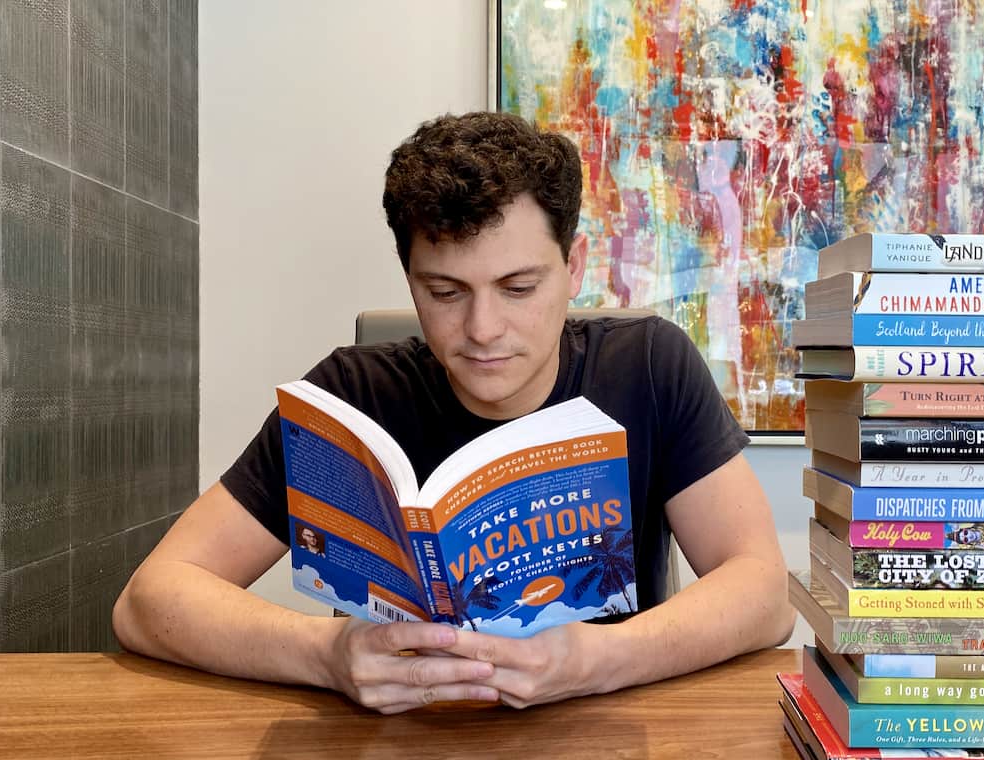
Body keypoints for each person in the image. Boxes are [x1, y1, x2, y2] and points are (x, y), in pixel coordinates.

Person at [113, 111, 795, 714]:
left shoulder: (648, 367)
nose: (483, 328)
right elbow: (149, 601)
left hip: (605, 744)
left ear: (575, 265)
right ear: (409, 276)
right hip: (394, 755)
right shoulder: (353, 397)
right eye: (445, 292)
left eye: (519, 287)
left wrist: (596, 661)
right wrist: (326, 655)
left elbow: (764, 593)